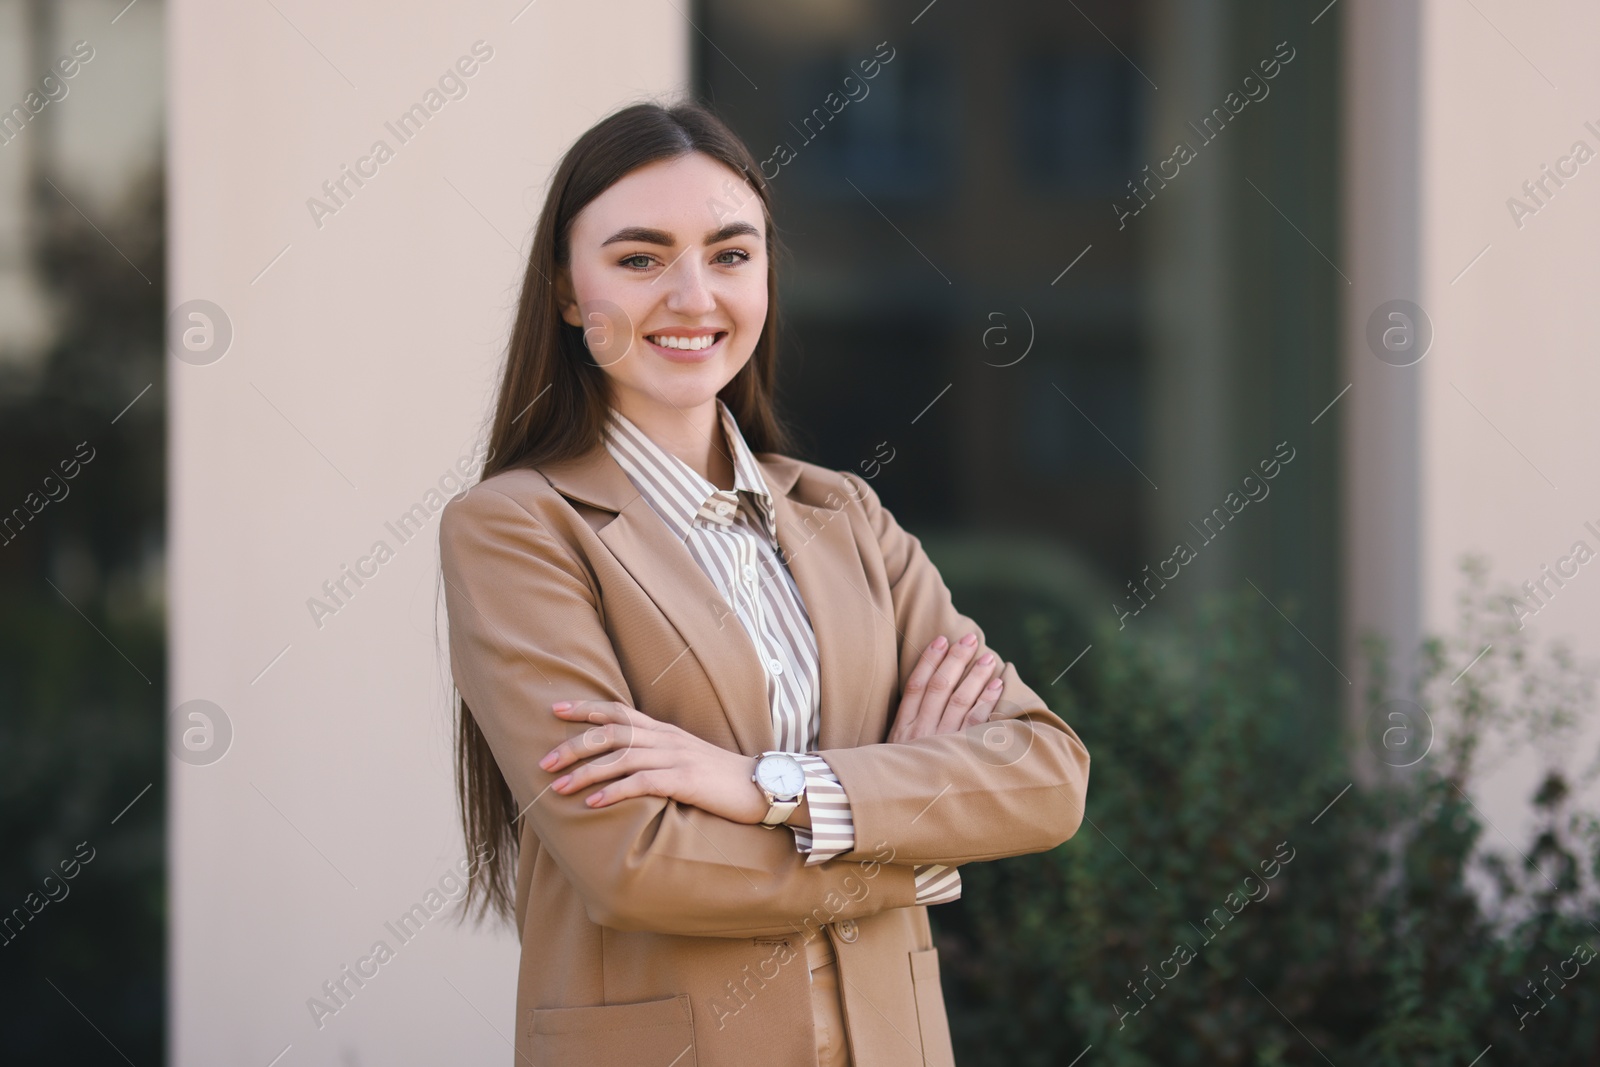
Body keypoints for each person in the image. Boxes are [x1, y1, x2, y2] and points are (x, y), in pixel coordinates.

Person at [438, 100, 1091, 1067]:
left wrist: (762, 787)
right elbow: (637, 865)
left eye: (731, 254)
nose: (694, 296)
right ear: (569, 295)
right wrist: (909, 847)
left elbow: (1044, 776)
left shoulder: (848, 517)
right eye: (639, 258)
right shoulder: (518, 529)